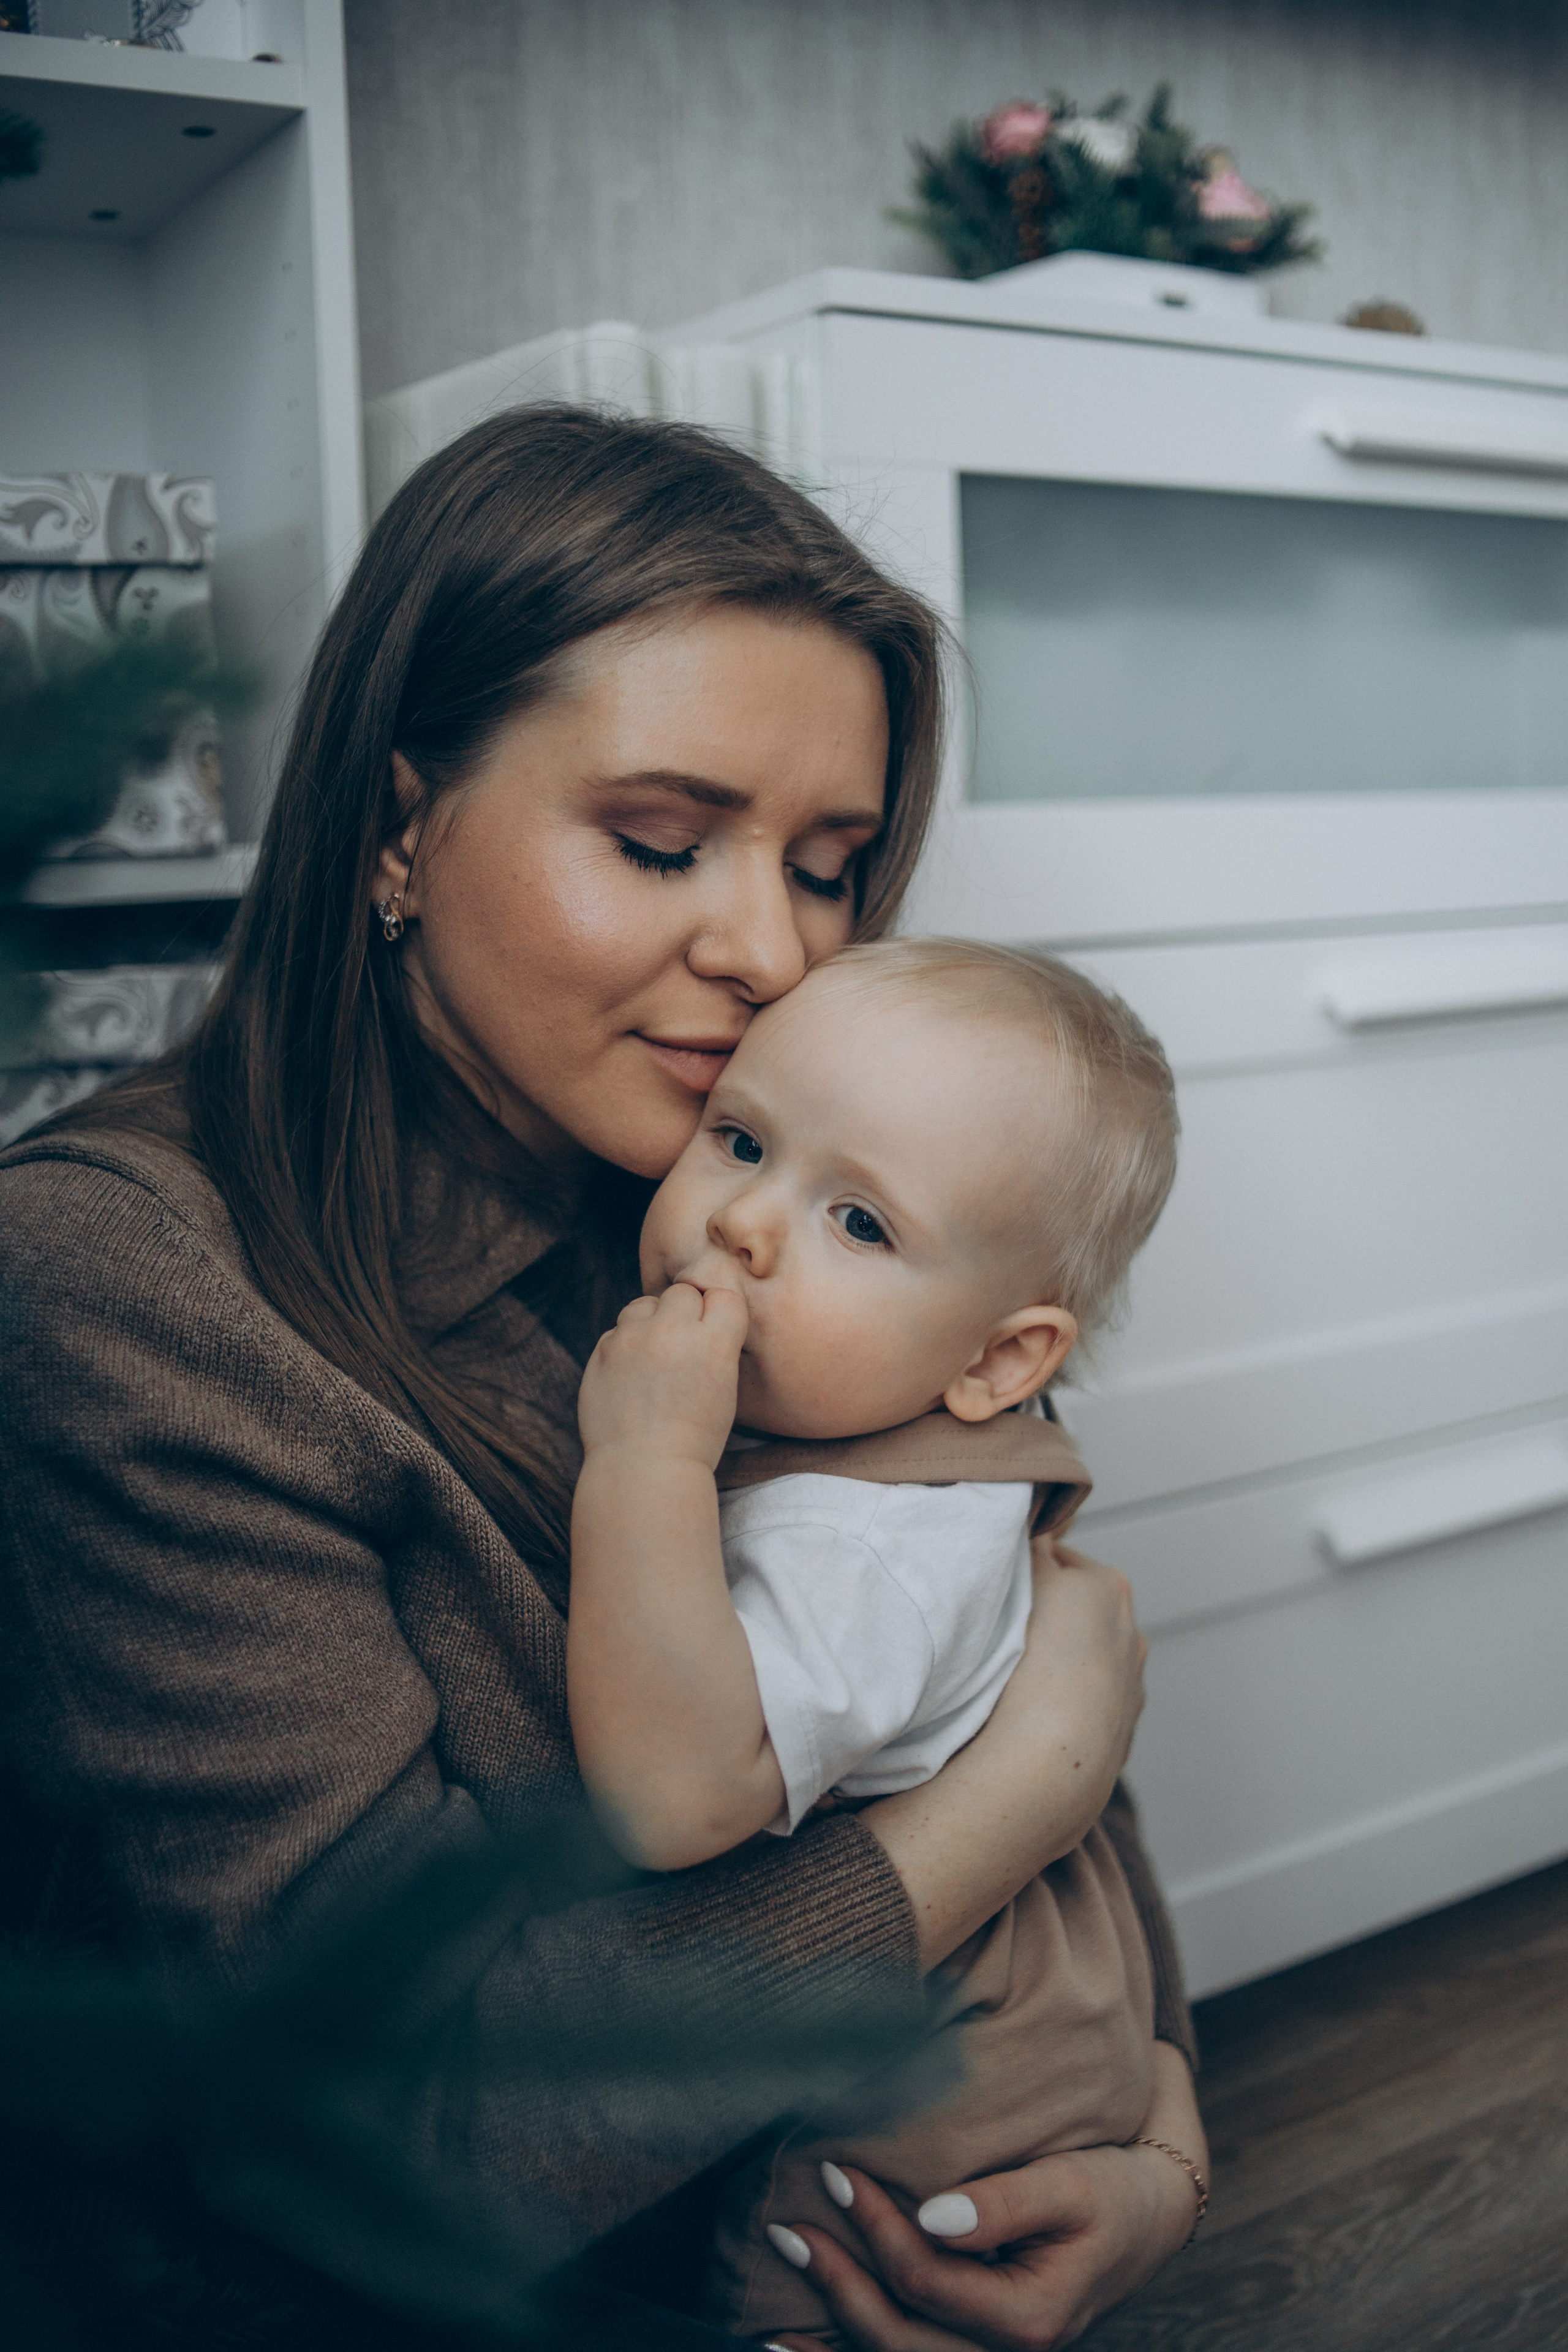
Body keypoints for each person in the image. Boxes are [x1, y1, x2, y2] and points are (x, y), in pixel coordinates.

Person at [0, 408, 1206, 2350]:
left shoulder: (761, 1185)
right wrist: (1017, 1794)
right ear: (400, 827)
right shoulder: (122, 1287)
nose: (772, 951)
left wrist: (1162, 2144)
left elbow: (961, 1641)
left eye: (831, 868)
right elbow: (378, 2115)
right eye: (660, 844)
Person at [568, 938, 1194, 2345]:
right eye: (740, 1140)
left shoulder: (869, 1548)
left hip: (934, 2105)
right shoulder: (856, 1424)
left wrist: (643, 1466)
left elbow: (674, 1798)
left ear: (992, 1363)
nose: (743, 1223)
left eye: (858, 1224)